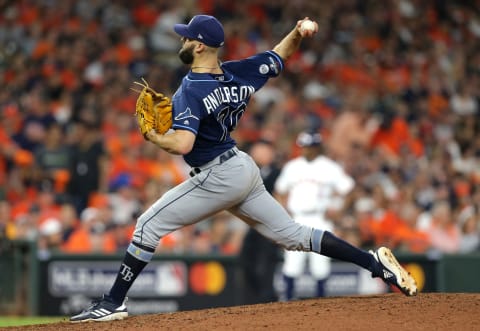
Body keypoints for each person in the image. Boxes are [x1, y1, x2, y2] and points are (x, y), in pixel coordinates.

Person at [70, 14, 417, 323]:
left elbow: (183, 145)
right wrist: (298, 31)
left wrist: (152, 135)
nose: (182, 40)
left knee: (148, 225)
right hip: (242, 168)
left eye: (187, 37)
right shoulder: (239, 72)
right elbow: (280, 55)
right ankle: (374, 263)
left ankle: (113, 302)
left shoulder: (191, 88)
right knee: (293, 236)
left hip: (219, 173)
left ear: (202, 47)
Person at [274, 131, 354, 300]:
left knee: (321, 265)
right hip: (297, 219)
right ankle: (287, 302)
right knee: (292, 264)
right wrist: (284, 211)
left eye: (309, 147)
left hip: (320, 219)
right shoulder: (293, 167)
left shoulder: (330, 167)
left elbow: (349, 190)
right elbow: (279, 191)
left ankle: (321, 305)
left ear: (317, 147)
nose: (305, 150)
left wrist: (339, 211)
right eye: (303, 146)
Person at [239, 140, 281, 304]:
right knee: (246, 259)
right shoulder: (248, 171)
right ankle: (253, 298)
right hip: (253, 223)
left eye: (263, 150)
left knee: (266, 261)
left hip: (270, 223)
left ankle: (267, 298)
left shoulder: (278, 173)